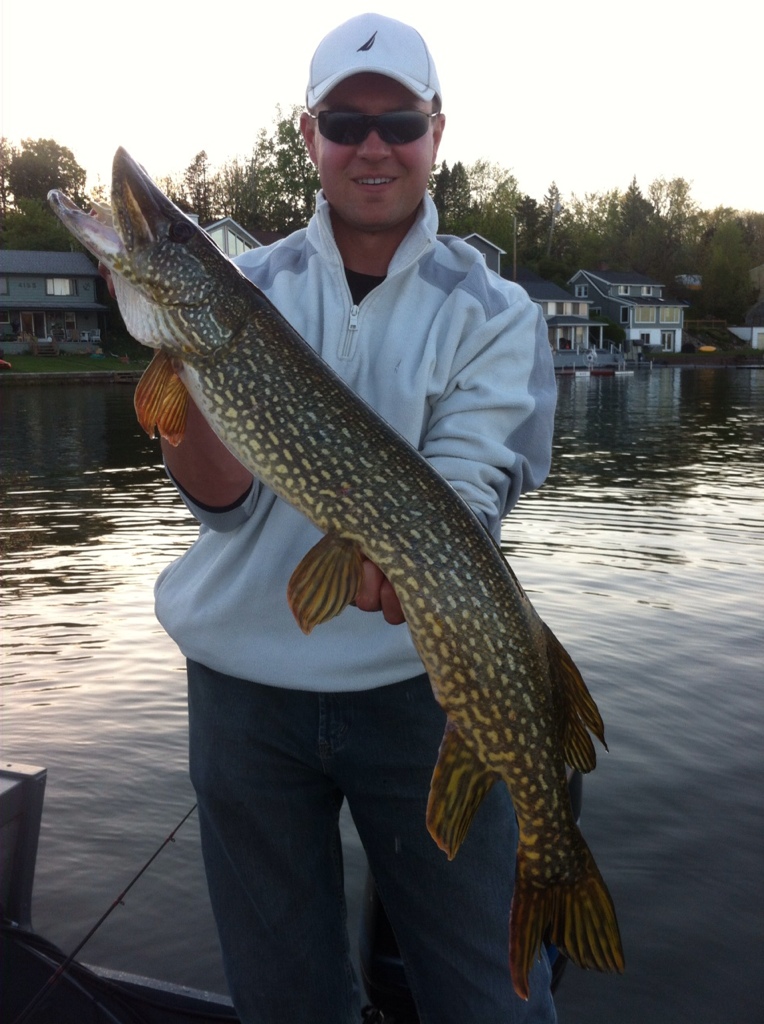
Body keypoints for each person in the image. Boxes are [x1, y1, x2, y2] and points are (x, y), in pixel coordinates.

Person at [153, 13, 558, 1024]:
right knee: (285, 1000)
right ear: (308, 138)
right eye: (344, 121)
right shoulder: (245, 288)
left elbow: (470, 484)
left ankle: (559, 878)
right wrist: (176, 386)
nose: (371, 145)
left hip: (420, 693)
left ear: (434, 133)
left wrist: (404, 561)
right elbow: (226, 504)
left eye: (396, 122)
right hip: (245, 698)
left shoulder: (494, 309)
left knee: (491, 1004)